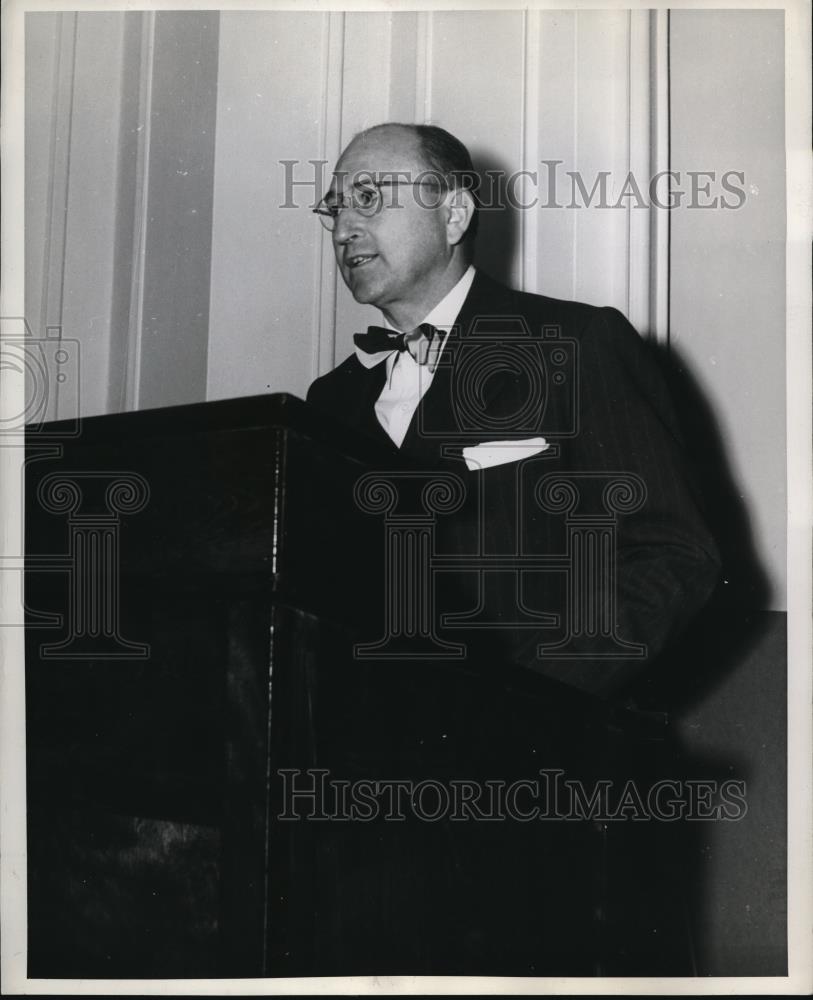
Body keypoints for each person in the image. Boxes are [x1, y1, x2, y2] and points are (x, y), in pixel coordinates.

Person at [307, 122, 720, 697]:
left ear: (453, 216)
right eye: (335, 208)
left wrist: (533, 700)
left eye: (369, 199)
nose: (345, 229)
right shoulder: (330, 398)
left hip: (543, 754)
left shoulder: (574, 343)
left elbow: (673, 552)